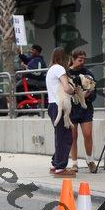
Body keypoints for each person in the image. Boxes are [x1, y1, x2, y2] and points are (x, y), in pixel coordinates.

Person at [46, 47, 76, 177]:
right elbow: (67, 88)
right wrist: (74, 91)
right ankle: (60, 168)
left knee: (60, 136)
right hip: (61, 106)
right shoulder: (59, 69)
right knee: (66, 137)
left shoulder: (51, 69)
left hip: (52, 105)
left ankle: (55, 164)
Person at [68, 49, 97, 173]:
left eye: (84, 59)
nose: (82, 62)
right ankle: (74, 163)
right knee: (73, 136)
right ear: (73, 59)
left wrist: (88, 95)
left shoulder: (88, 73)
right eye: (80, 60)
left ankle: (90, 160)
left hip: (86, 108)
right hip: (71, 108)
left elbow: (94, 92)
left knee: (88, 134)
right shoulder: (67, 73)